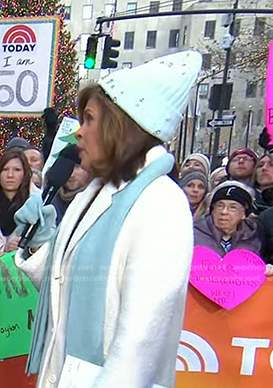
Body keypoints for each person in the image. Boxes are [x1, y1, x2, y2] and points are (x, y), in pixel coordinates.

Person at [14, 50, 202, 388]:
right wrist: (41, 241)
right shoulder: (95, 192)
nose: (78, 134)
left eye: (88, 119)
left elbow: (138, 344)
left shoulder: (160, 203)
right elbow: (64, 290)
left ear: (121, 126)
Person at [194, 180, 261, 256]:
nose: (224, 212)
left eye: (232, 207)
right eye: (220, 206)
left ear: (244, 214)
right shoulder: (194, 233)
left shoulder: (254, 237)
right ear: (212, 210)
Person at [0, 149, 32, 255]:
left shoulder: (37, 205)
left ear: (25, 173)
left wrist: (27, 248)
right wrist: (4, 250)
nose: (10, 175)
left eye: (17, 170)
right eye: (5, 169)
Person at [52, 145, 92, 224]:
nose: (71, 174)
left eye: (77, 167)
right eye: (67, 167)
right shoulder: (47, 198)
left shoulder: (94, 202)